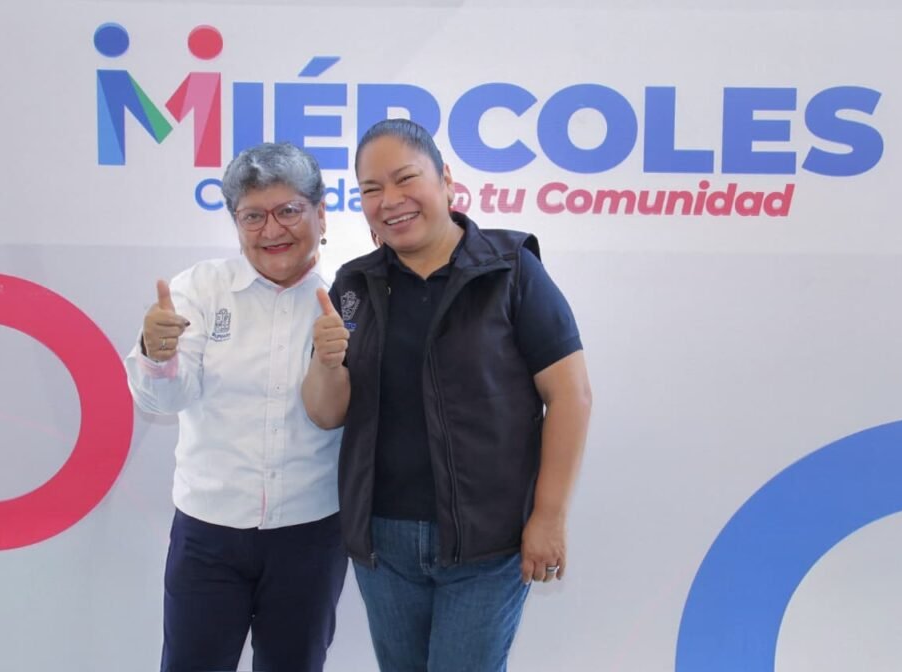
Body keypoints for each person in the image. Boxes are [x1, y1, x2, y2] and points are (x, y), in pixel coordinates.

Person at [303, 119, 592, 671]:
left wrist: (549, 516)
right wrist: (325, 361)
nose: (390, 200)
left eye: (405, 178)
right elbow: (325, 412)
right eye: (371, 189)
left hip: (487, 542)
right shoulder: (353, 285)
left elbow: (571, 395)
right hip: (383, 544)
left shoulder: (511, 269)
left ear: (446, 180)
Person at [124, 142, 346, 672]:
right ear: (236, 223)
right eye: (252, 216)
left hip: (311, 531)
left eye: (288, 210)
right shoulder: (200, 288)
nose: (272, 230)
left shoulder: (349, 295)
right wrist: (158, 355)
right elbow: (167, 399)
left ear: (320, 213)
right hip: (209, 531)